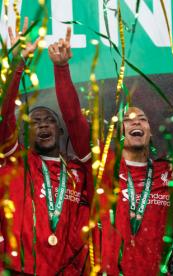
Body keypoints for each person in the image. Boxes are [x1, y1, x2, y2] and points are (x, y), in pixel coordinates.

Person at [50, 27, 173, 275]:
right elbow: (72, 118)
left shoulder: (169, 172)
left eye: (142, 119)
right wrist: (61, 69)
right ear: (121, 130)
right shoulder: (102, 165)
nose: (136, 122)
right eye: (128, 119)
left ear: (150, 131)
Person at [0, 19, 89, 274]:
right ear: (25, 133)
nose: (43, 125)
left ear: (61, 130)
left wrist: (61, 68)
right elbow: (4, 115)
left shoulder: (79, 170)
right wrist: (17, 64)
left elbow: (74, 118)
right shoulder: (14, 162)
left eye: (50, 120)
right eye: (35, 122)